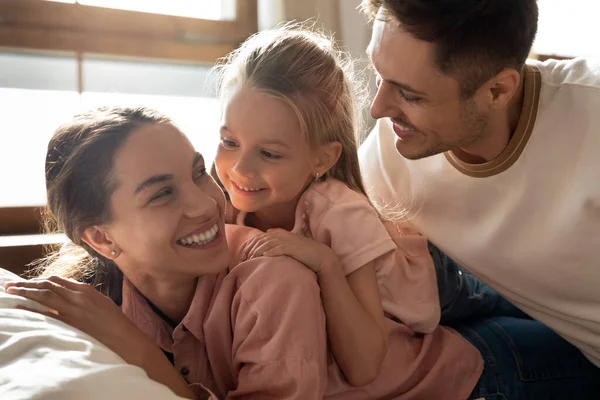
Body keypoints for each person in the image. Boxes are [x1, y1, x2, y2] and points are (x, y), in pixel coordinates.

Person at [5, 106, 600, 399]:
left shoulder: (272, 276)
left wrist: (145, 356)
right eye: (162, 194)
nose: (207, 202)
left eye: (194, 173)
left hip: (471, 376)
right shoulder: (93, 300)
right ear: (101, 239)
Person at [358, 0, 600, 368]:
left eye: (410, 94)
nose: (378, 109)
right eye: (379, 75)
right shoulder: (390, 154)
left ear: (498, 91)